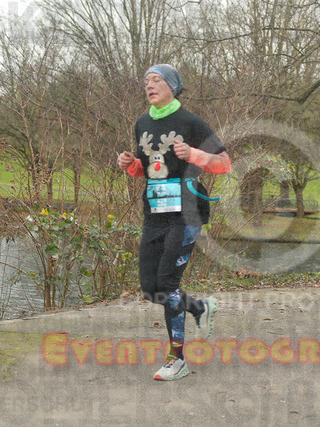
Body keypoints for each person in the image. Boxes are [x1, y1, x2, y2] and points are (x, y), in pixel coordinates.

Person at [117, 64, 231, 380]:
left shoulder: (191, 122)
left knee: (167, 284)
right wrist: (130, 164)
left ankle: (176, 359)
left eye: (156, 80)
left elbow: (224, 164)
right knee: (151, 288)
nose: (149, 85)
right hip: (155, 212)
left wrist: (193, 154)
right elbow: (150, 169)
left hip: (187, 212)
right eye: (146, 81)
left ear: (173, 86)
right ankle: (199, 308)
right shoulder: (142, 123)